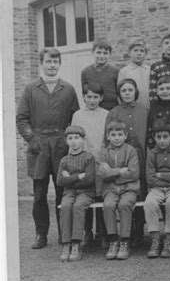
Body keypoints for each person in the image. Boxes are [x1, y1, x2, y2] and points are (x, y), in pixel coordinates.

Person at [17, 48, 80, 249]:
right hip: (39, 146)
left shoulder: (68, 89)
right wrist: (32, 139)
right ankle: (40, 234)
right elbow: (22, 118)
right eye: (48, 62)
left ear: (59, 64)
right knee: (39, 194)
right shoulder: (30, 88)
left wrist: (70, 141)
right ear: (41, 64)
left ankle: (64, 233)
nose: (52, 65)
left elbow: (74, 119)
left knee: (63, 191)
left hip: (61, 145)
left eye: (55, 62)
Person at [106, 78, 148, 247]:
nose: (127, 93)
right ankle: (125, 235)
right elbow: (106, 137)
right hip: (119, 155)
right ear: (119, 94)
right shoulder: (114, 112)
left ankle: (139, 232)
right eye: (124, 91)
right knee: (122, 192)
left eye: (130, 90)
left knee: (139, 191)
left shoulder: (144, 110)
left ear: (135, 92)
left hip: (139, 154)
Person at [71, 83, 109, 246]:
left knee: (101, 195)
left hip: (101, 160)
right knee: (85, 194)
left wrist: (102, 158)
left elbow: (108, 138)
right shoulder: (78, 115)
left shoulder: (106, 114)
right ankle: (87, 232)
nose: (92, 100)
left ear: (101, 98)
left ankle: (103, 232)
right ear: (84, 97)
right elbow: (75, 136)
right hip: (84, 162)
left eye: (95, 97)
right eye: (89, 97)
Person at [98, 121, 140, 260]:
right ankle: (113, 240)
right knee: (108, 205)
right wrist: (120, 171)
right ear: (108, 136)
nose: (117, 138)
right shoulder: (104, 152)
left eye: (120, 134)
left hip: (129, 188)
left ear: (125, 135)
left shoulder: (131, 150)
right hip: (110, 190)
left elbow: (133, 173)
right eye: (113, 135)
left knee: (124, 205)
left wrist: (112, 174)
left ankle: (124, 241)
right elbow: (103, 175)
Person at [144, 119, 170, 258]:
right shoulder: (152, 153)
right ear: (154, 138)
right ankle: (155, 240)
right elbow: (150, 178)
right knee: (149, 203)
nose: (162, 141)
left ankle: (169, 241)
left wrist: (160, 174)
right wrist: (166, 178)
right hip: (156, 189)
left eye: (165, 137)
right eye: (158, 137)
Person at [57, 125, 96, 262]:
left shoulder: (89, 158)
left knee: (78, 206)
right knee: (66, 206)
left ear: (83, 140)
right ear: (66, 141)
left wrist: (69, 178)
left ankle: (76, 243)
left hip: (86, 192)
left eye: (77, 138)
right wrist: (78, 176)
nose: (73, 141)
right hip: (69, 193)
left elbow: (90, 180)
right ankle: (66, 243)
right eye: (70, 138)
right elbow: (60, 181)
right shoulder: (64, 160)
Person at [81, 38, 120, 110]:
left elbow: (119, 94)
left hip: (112, 110)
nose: (102, 56)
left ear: (109, 54)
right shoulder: (85, 72)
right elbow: (84, 94)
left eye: (105, 53)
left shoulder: (116, 71)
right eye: (98, 52)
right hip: (94, 110)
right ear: (93, 52)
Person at [146, 76, 170, 149]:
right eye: (161, 89)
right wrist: (151, 147)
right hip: (159, 146)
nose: (165, 91)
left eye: (168, 88)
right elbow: (150, 129)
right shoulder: (154, 108)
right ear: (157, 91)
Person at [118, 38, 151, 110]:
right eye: (135, 50)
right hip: (132, 110)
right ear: (130, 52)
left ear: (145, 54)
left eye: (142, 51)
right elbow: (120, 94)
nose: (139, 53)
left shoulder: (150, 70)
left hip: (149, 109)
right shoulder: (124, 71)